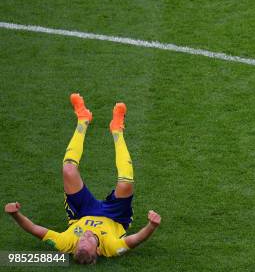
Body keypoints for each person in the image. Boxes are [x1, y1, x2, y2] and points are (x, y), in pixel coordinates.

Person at [4, 94, 161, 264]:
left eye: (80, 242)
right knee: (125, 184)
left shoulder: (67, 243)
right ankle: (117, 130)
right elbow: (136, 239)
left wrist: (15, 215)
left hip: (82, 212)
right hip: (115, 216)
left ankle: (83, 119)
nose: (84, 237)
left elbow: (34, 229)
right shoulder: (111, 247)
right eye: (88, 242)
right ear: (98, 251)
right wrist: (151, 226)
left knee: (68, 170)